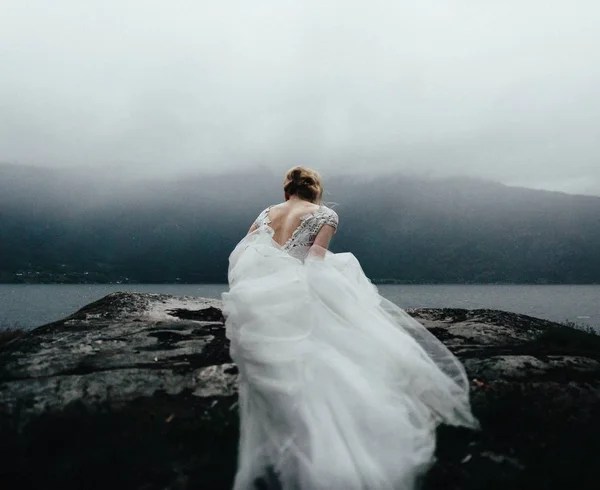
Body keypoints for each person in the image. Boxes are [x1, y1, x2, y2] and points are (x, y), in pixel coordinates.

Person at [222, 166, 478, 490]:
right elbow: (314, 260)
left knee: (280, 360)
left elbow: (246, 248)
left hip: (266, 295)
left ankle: (281, 441)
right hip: (298, 288)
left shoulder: (267, 212)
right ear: (315, 191)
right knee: (325, 352)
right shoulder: (325, 214)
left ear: (287, 191)